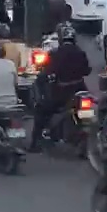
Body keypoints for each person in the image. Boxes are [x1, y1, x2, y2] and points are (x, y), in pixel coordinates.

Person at [30, 23, 92, 151]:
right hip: (80, 89)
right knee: (88, 111)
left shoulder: (57, 53)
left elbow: (48, 72)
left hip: (62, 93)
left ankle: (35, 143)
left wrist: (45, 77)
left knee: (41, 110)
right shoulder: (81, 53)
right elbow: (87, 70)